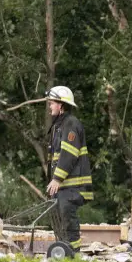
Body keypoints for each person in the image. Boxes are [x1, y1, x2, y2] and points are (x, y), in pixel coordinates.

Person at [44, 85, 93, 249]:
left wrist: (57, 178)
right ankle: (63, 252)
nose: (50, 106)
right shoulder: (59, 126)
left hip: (72, 186)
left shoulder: (70, 124)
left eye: (52, 103)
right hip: (64, 186)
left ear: (61, 104)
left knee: (68, 220)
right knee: (60, 222)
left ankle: (72, 255)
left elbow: (69, 153)